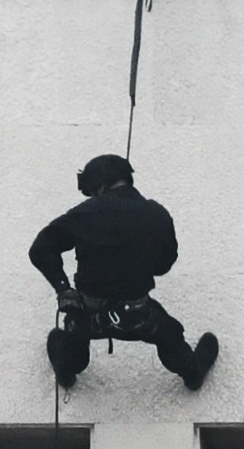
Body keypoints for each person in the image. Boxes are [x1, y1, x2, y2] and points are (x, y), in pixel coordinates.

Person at [28, 154, 219, 390]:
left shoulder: (84, 214)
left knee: (72, 337)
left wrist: (63, 289)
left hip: (88, 314)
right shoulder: (156, 214)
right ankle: (192, 374)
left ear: (98, 184)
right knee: (168, 334)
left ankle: (66, 372)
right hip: (138, 315)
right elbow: (163, 266)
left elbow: (40, 249)